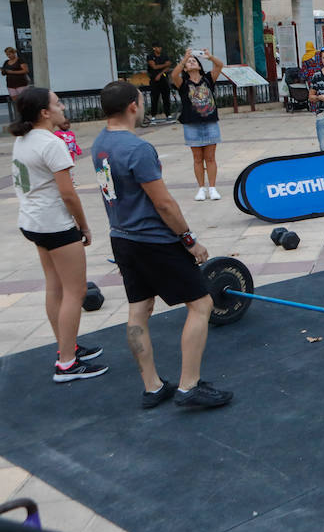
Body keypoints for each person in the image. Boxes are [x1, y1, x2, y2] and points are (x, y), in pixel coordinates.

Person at [91, 80, 231, 409]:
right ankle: (188, 387)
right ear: (133, 107)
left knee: (139, 310)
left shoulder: (99, 144)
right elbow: (164, 204)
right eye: (141, 100)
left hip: (122, 238)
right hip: (154, 241)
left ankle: (152, 387)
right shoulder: (137, 149)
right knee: (201, 304)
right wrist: (189, 240)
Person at [9, 86, 106, 382]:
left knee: (56, 287)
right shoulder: (51, 143)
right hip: (55, 225)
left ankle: (68, 347)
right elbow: (68, 194)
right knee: (74, 291)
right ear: (44, 112)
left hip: (33, 223)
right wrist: (84, 226)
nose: (62, 106)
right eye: (57, 103)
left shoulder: (23, 139)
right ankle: (67, 363)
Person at [170, 50, 224, 201]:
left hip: (210, 122)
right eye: (189, 62)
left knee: (211, 157)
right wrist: (184, 59)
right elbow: (174, 75)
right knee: (197, 158)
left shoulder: (208, 79)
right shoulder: (183, 83)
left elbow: (220, 66)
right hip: (191, 124)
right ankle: (201, 188)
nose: (192, 62)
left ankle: (212, 188)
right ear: (185, 69)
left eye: (194, 60)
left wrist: (210, 57)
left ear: (200, 66)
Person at [145, 43, 172, 122]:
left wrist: (160, 74)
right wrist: (165, 64)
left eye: (160, 47)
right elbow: (154, 66)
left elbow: (168, 67)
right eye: (157, 47)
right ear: (154, 48)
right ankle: (153, 115)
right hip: (154, 80)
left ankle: (168, 114)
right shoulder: (150, 56)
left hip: (164, 78)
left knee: (166, 97)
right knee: (154, 98)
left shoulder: (164, 56)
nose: (159, 49)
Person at [4, 46, 30, 120]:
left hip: (21, 83)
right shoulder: (6, 62)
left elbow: (25, 70)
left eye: (9, 54)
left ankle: (28, 117)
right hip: (10, 84)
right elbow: (5, 71)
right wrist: (4, 71)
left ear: (13, 53)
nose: (8, 56)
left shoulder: (20, 60)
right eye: (7, 54)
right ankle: (20, 118)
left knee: (24, 101)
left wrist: (12, 72)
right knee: (16, 103)